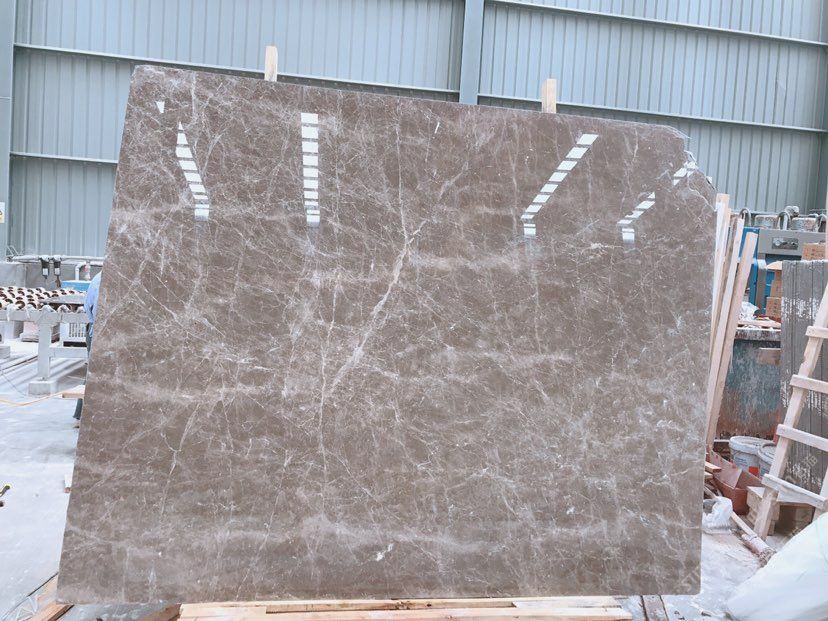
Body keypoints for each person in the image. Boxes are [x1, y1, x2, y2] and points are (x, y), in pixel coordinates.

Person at [73, 271, 101, 421]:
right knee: (94, 373)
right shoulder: (102, 279)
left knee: (94, 373)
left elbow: (88, 307)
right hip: (98, 332)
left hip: (95, 329)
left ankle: (82, 415)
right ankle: (82, 415)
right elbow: (92, 309)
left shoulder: (99, 277)